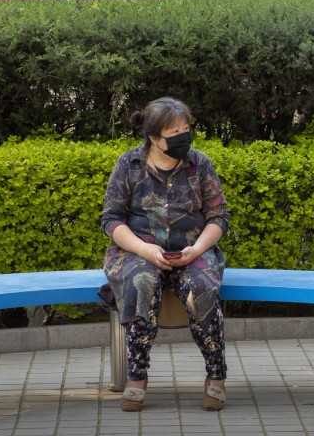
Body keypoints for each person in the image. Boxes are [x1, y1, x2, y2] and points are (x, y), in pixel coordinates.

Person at [100, 97, 230, 412]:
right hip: (137, 250)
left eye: (187, 129)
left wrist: (197, 249)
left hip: (192, 248)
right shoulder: (128, 164)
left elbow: (218, 216)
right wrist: (143, 249)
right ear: (155, 138)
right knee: (142, 281)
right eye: (175, 132)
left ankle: (216, 376)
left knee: (201, 287)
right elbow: (111, 219)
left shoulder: (200, 163)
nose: (183, 136)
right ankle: (137, 377)